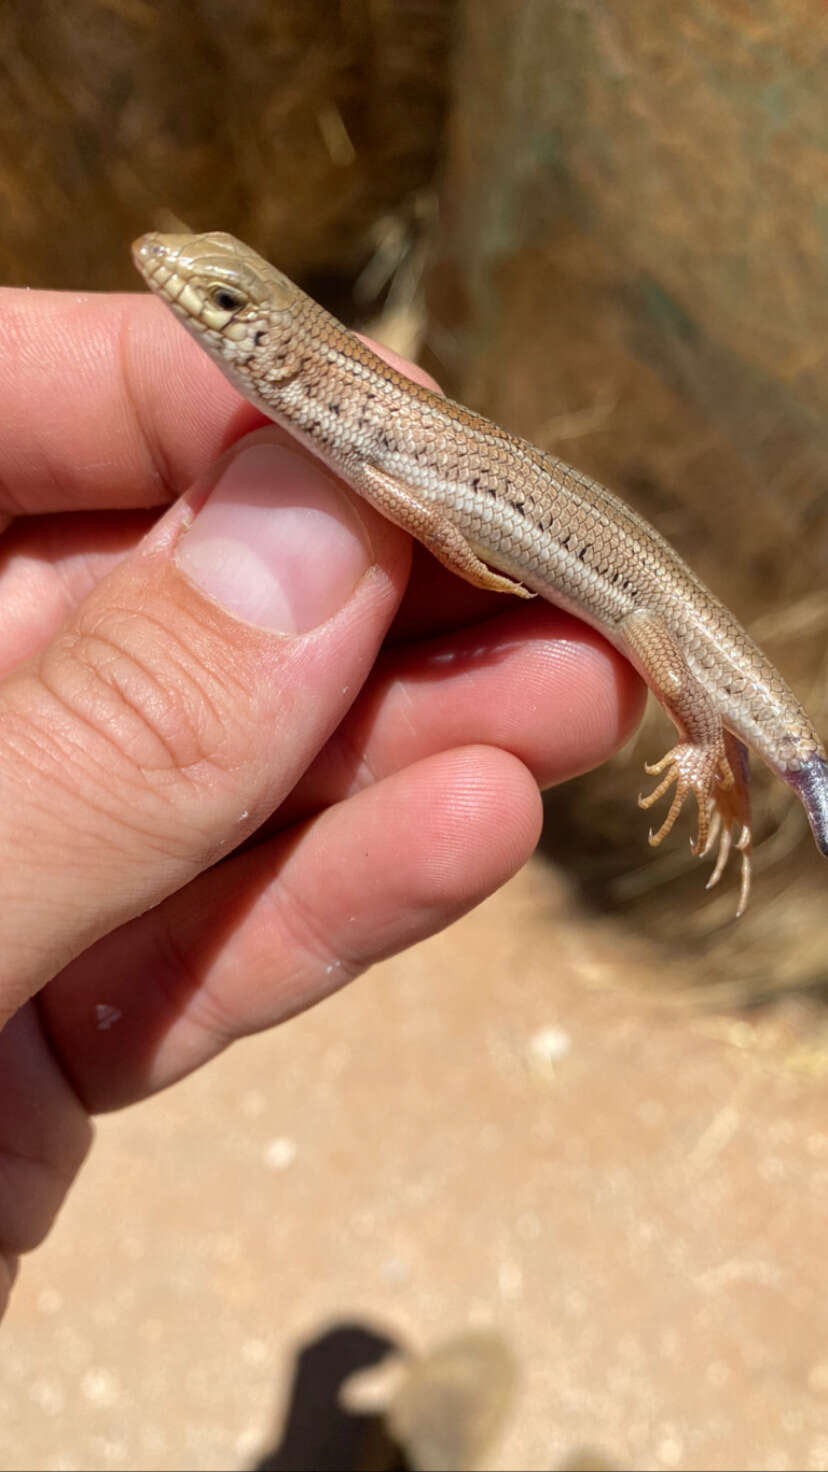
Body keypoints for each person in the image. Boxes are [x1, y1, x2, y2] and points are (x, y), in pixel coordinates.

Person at [0, 286, 643, 1317]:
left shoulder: (325, 403)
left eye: (213, 298)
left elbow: (423, 499)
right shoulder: (293, 402)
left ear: (267, 335)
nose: (172, 284)